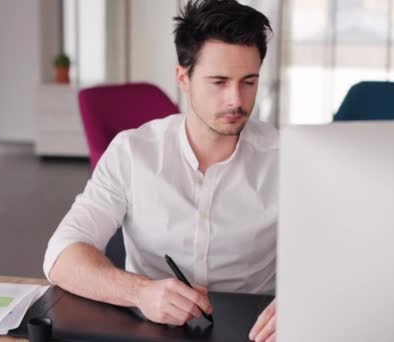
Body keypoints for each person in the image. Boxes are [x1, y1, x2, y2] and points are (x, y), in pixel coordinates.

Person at [43, 0, 277, 340]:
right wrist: (139, 291)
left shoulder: (286, 159)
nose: (235, 100)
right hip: (150, 330)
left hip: (253, 332)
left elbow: (339, 255)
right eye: (219, 82)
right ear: (183, 77)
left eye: (248, 82)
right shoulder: (132, 152)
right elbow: (61, 254)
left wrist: (304, 301)